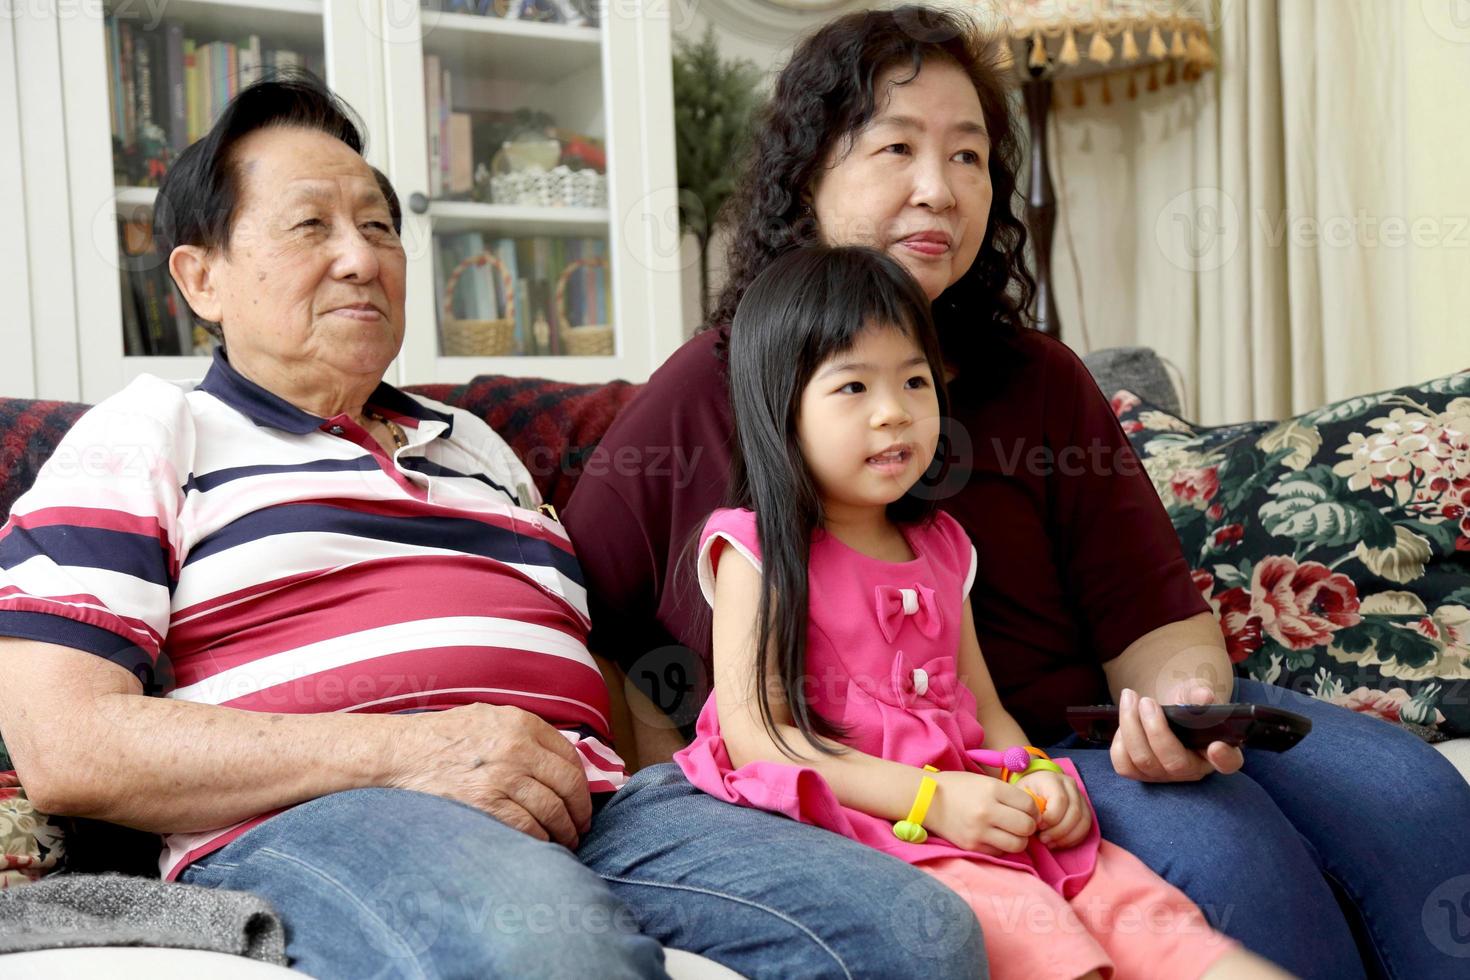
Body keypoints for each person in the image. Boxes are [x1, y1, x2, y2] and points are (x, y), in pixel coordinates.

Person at [0, 75, 986, 979]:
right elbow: (65, 739)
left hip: (598, 804)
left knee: (915, 933)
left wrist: (674, 770)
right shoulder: (148, 429)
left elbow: (581, 659)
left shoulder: (473, 446)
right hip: (345, 811)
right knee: (544, 952)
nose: (361, 257)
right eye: (311, 226)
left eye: (381, 227)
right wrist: (409, 749)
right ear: (200, 276)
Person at [565, 7, 1470, 977]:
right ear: (808, 175)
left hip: (1077, 737)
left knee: (1413, 792)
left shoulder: (1039, 376)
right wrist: (675, 772)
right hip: (927, 774)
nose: (939, 189)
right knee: (1228, 858)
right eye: (898, 148)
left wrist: (1183, 708)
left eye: (969, 155)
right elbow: (576, 606)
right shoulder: (714, 385)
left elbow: (1152, 616)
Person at [674, 243, 1290, 980]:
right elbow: (758, 739)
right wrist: (931, 797)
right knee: (1039, 938)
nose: (894, 413)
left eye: (914, 381)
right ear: (781, 410)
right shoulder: (753, 550)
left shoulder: (943, 546)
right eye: (852, 389)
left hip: (974, 804)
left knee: (1156, 922)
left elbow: (984, 712)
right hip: (869, 823)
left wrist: (1034, 772)